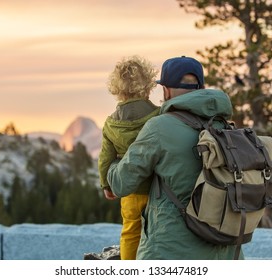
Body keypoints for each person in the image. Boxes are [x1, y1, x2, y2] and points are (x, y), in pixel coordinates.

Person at [107, 56, 243, 259]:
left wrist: (114, 161)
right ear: (201, 87)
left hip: (169, 254)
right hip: (226, 253)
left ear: (166, 90)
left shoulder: (159, 127)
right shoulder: (224, 127)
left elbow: (120, 184)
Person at [98, 55, 160, 260]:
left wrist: (106, 185)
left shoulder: (110, 123)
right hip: (157, 187)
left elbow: (105, 157)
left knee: (130, 231)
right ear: (148, 85)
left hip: (129, 189)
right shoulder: (158, 115)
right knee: (159, 233)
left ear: (117, 88)